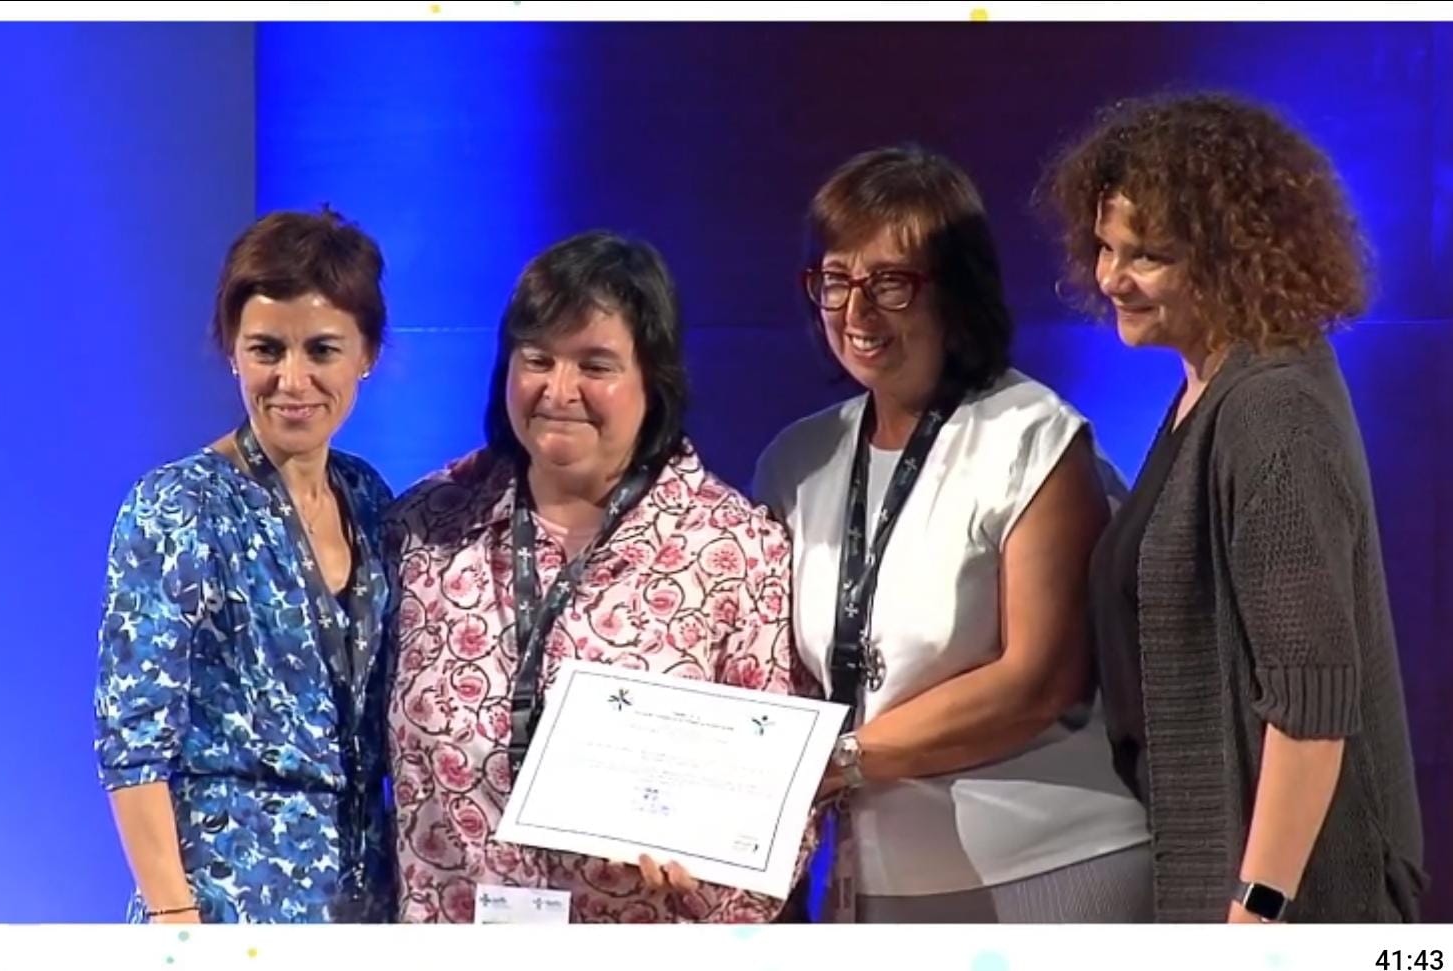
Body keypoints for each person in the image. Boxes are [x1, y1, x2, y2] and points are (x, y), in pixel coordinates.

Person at [1038, 91, 1428, 922]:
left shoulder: (1270, 410)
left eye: (1147, 254)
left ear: (1230, 255)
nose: (1111, 277)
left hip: (1305, 899)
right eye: (1105, 247)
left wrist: (1255, 910)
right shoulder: (1207, 389)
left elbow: (1311, 706)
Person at [753, 146, 1152, 923]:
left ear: (956, 292)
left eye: (890, 283)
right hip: (872, 879)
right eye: (835, 280)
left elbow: (1040, 680)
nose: (856, 313)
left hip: (1048, 866)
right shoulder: (795, 460)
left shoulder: (1030, 436)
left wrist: (838, 760)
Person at [383, 230, 816, 923]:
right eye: (537, 359)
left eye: (595, 364)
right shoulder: (426, 527)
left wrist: (704, 877)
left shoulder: (734, 550)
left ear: (654, 378)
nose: (559, 390)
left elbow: (784, 808)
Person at [94, 209, 395, 923]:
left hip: (365, 905)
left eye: (322, 349)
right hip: (225, 907)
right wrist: (175, 919)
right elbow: (132, 739)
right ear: (232, 349)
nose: (292, 379)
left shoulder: (371, 497)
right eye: (266, 349)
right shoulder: (179, 505)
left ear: (366, 356)